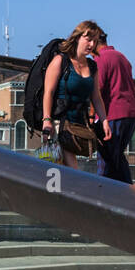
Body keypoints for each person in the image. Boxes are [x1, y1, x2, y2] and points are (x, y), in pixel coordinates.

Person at [41, 21, 112, 170]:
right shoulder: (61, 61)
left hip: (78, 124)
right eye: (88, 39)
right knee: (71, 168)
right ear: (78, 37)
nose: (91, 44)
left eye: (95, 41)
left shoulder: (92, 66)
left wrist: (104, 121)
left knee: (63, 170)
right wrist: (46, 120)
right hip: (59, 123)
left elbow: (96, 97)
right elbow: (48, 92)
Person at [94, 43, 135, 184]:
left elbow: (96, 90)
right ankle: (127, 190)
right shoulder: (122, 57)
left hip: (113, 114)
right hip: (130, 113)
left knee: (106, 159)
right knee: (117, 157)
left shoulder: (101, 58)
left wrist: (91, 116)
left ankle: (102, 190)